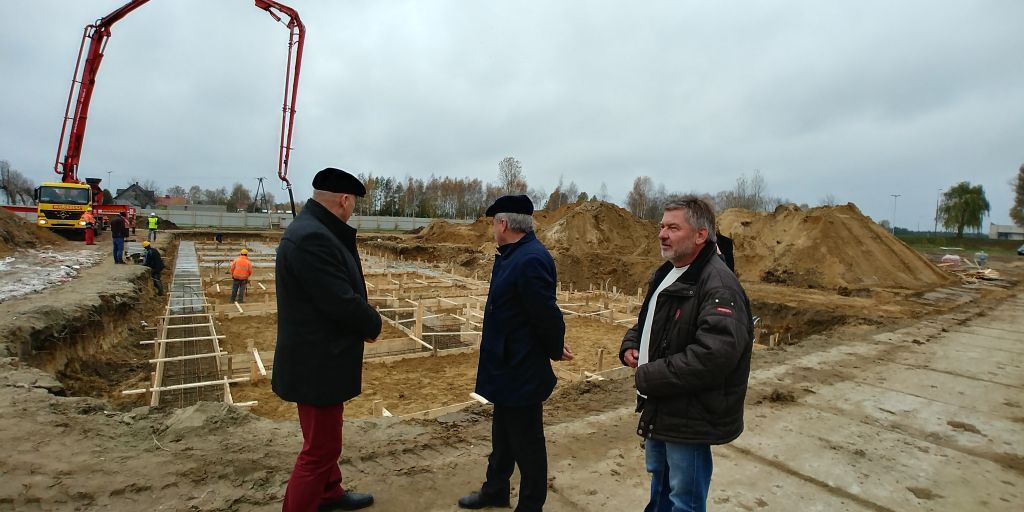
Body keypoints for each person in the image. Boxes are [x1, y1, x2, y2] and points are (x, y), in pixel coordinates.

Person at [618, 196, 753, 512]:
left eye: (673, 228)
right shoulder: (669, 271)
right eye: (662, 226)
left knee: (684, 500)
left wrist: (649, 375)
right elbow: (650, 320)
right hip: (664, 403)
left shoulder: (718, 285)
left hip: (691, 414)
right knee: (661, 486)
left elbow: (714, 355)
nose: (662, 234)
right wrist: (632, 343)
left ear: (700, 235)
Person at [272, 167, 381, 512]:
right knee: (320, 450)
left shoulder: (313, 229)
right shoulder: (313, 238)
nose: (353, 211)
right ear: (344, 200)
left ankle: (329, 493)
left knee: (321, 440)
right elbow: (340, 300)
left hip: (316, 357)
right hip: (317, 362)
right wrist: (371, 323)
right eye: (354, 204)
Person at [458, 195, 572, 512]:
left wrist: (554, 347)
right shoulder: (514, 254)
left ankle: (531, 505)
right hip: (506, 364)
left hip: (521, 367)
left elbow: (546, 315)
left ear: (504, 224)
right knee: (504, 435)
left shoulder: (530, 259)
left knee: (527, 442)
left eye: (494, 223)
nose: (493, 229)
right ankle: (495, 490)